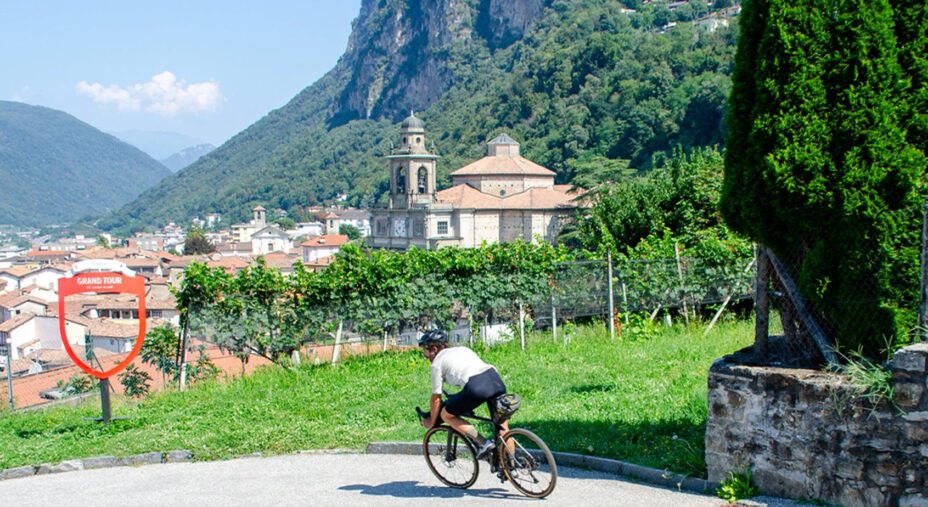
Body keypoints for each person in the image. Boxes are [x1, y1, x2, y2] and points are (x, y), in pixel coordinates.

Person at [418, 328, 508, 458]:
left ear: (434, 349)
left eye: (425, 350)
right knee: (503, 428)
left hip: (477, 386)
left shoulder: (437, 363)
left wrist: (432, 422)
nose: (424, 355)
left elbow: (436, 398)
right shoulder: (462, 349)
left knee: (446, 415)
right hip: (495, 379)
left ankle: (483, 443)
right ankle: (511, 466)